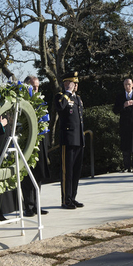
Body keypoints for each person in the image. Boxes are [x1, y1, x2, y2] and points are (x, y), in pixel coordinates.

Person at [22, 75, 51, 215]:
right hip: (28, 143)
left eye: (38, 86)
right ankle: (28, 205)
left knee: (38, 175)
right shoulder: (22, 100)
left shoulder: (40, 100)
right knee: (28, 176)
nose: (36, 89)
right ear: (27, 86)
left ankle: (36, 205)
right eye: (33, 86)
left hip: (40, 142)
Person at [56, 72, 85, 209]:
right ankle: (65, 200)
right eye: (73, 83)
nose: (76, 85)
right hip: (67, 139)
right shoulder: (61, 97)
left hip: (78, 139)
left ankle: (73, 197)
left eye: (77, 83)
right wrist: (67, 92)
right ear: (66, 83)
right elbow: (60, 108)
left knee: (76, 171)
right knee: (67, 172)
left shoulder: (78, 99)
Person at [112, 78, 133, 173]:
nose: (128, 86)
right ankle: (126, 166)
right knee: (125, 147)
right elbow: (115, 110)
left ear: (132, 85)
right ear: (124, 86)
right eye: (126, 84)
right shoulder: (120, 96)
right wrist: (124, 105)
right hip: (124, 125)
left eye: (129, 84)